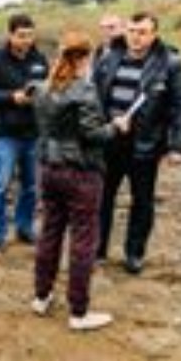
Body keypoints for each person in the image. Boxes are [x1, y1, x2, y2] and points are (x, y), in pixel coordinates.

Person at [29, 30, 129, 331]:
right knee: (84, 240)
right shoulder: (84, 90)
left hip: (48, 168)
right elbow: (93, 135)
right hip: (80, 172)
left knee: (50, 233)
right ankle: (79, 312)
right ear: (85, 59)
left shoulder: (42, 88)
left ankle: (41, 296)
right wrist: (116, 126)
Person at [93, 11, 181, 274]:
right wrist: (100, 127)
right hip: (109, 142)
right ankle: (97, 249)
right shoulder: (108, 58)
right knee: (101, 197)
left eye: (142, 32)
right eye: (131, 31)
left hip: (145, 144)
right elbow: (93, 98)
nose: (136, 37)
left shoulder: (170, 63)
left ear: (154, 34)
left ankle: (134, 253)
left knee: (142, 200)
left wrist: (178, 146)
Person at [0, 13, 49, 259]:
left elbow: (49, 87)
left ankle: (24, 228)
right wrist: (11, 97)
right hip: (5, 135)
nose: (26, 40)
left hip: (33, 133)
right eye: (21, 36)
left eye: (30, 35)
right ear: (10, 35)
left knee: (31, 187)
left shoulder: (39, 60)